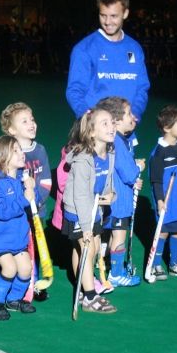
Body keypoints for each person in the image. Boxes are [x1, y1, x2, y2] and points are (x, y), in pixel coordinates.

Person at [62, 108, 117, 313]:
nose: (111, 126)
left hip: (94, 209)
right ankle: (90, 297)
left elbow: (107, 180)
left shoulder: (109, 152)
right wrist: (85, 226)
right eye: (104, 123)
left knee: (87, 249)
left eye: (112, 122)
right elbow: (81, 195)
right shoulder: (83, 159)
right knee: (88, 248)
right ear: (91, 132)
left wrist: (111, 195)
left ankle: (84, 286)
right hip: (78, 211)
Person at [66, 0, 150, 122]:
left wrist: (134, 114)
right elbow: (74, 91)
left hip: (125, 130)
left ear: (125, 13)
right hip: (95, 131)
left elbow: (142, 88)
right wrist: (88, 117)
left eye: (113, 16)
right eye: (103, 15)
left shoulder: (135, 48)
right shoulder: (84, 49)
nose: (107, 22)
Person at [0, 102, 52, 300]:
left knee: (36, 248)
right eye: (24, 121)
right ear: (12, 130)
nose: (32, 124)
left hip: (37, 210)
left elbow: (46, 181)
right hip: (17, 212)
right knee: (19, 248)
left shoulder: (40, 150)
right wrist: (22, 201)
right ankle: (17, 283)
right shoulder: (8, 154)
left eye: (32, 119)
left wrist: (36, 200)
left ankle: (35, 283)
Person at [0, 136, 37, 321]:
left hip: (17, 238)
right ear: (2, 158)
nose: (22, 153)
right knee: (10, 268)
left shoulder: (21, 180)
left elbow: (28, 203)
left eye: (21, 150)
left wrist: (30, 189)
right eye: (16, 151)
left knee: (26, 269)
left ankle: (14, 299)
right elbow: (2, 212)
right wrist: (25, 198)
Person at [94, 96, 144, 287]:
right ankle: (116, 274)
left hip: (111, 198)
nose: (135, 118)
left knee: (108, 235)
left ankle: (106, 269)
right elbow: (128, 171)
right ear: (116, 120)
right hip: (119, 200)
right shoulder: (118, 141)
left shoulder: (116, 140)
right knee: (119, 235)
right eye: (129, 114)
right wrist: (137, 169)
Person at [148, 105, 177, 280]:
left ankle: (174, 264)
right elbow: (156, 181)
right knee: (163, 232)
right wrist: (159, 200)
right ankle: (156, 265)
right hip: (166, 202)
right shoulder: (158, 154)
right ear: (167, 128)